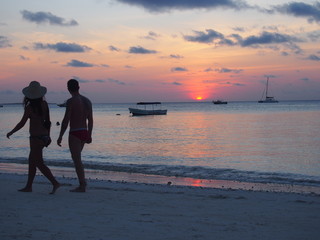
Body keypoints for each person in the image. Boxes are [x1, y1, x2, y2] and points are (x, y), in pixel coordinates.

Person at [6, 81, 60, 194]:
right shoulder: (44, 104)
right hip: (43, 137)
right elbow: (48, 122)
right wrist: (48, 136)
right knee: (32, 162)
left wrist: (11, 132)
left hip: (35, 138)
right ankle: (29, 186)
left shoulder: (30, 108)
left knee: (39, 163)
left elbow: (22, 123)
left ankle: (55, 183)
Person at [57, 79, 93, 192]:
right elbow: (90, 120)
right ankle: (82, 183)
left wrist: (60, 135)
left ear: (68, 88)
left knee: (77, 160)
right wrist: (89, 134)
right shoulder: (87, 101)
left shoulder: (71, 101)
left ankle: (82, 185)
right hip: (84, 131)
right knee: (77, 159)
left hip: (75, 132)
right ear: (79, 87)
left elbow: (66, 120)